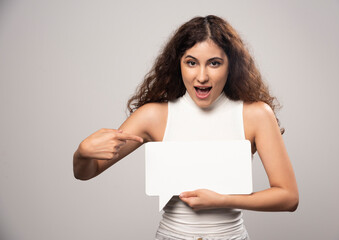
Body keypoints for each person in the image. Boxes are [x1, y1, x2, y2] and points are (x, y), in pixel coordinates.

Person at [73, 15, 299, 240]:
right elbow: (87, 172)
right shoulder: (153, 116)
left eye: (214, 63)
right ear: (178, 64)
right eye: (191, 63)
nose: (202, 76)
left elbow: (289, 197)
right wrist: (82, 153)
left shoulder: (255, 115)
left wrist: (223, 200)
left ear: (231, 65)